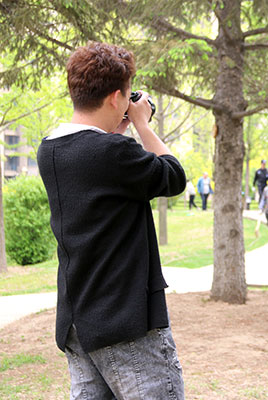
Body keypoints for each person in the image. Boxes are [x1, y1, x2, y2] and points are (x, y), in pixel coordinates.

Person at [37, 42, 186, 398]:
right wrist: (142, 124)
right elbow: (174, 176)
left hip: (78, 320)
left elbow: (96, 167)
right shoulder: (114, 153)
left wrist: (119, 127)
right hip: (124, 319)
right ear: (116, 97)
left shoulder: (50, 149)